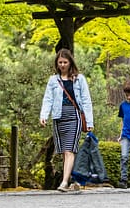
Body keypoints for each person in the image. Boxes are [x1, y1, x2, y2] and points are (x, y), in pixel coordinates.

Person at [40, 48, 94, 192]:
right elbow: (48, 99)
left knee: (70, 149)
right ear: (57, 64)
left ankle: (64, 182)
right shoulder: (53, 80)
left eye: (65, 62)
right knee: (64, 151)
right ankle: (70, 180)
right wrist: (44, 115)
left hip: (74, 116)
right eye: (60, 62)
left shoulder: (79, 79)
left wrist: (89, 122)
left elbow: (86, 100)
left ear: (70, 62)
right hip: (59, 117)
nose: (62, 65)